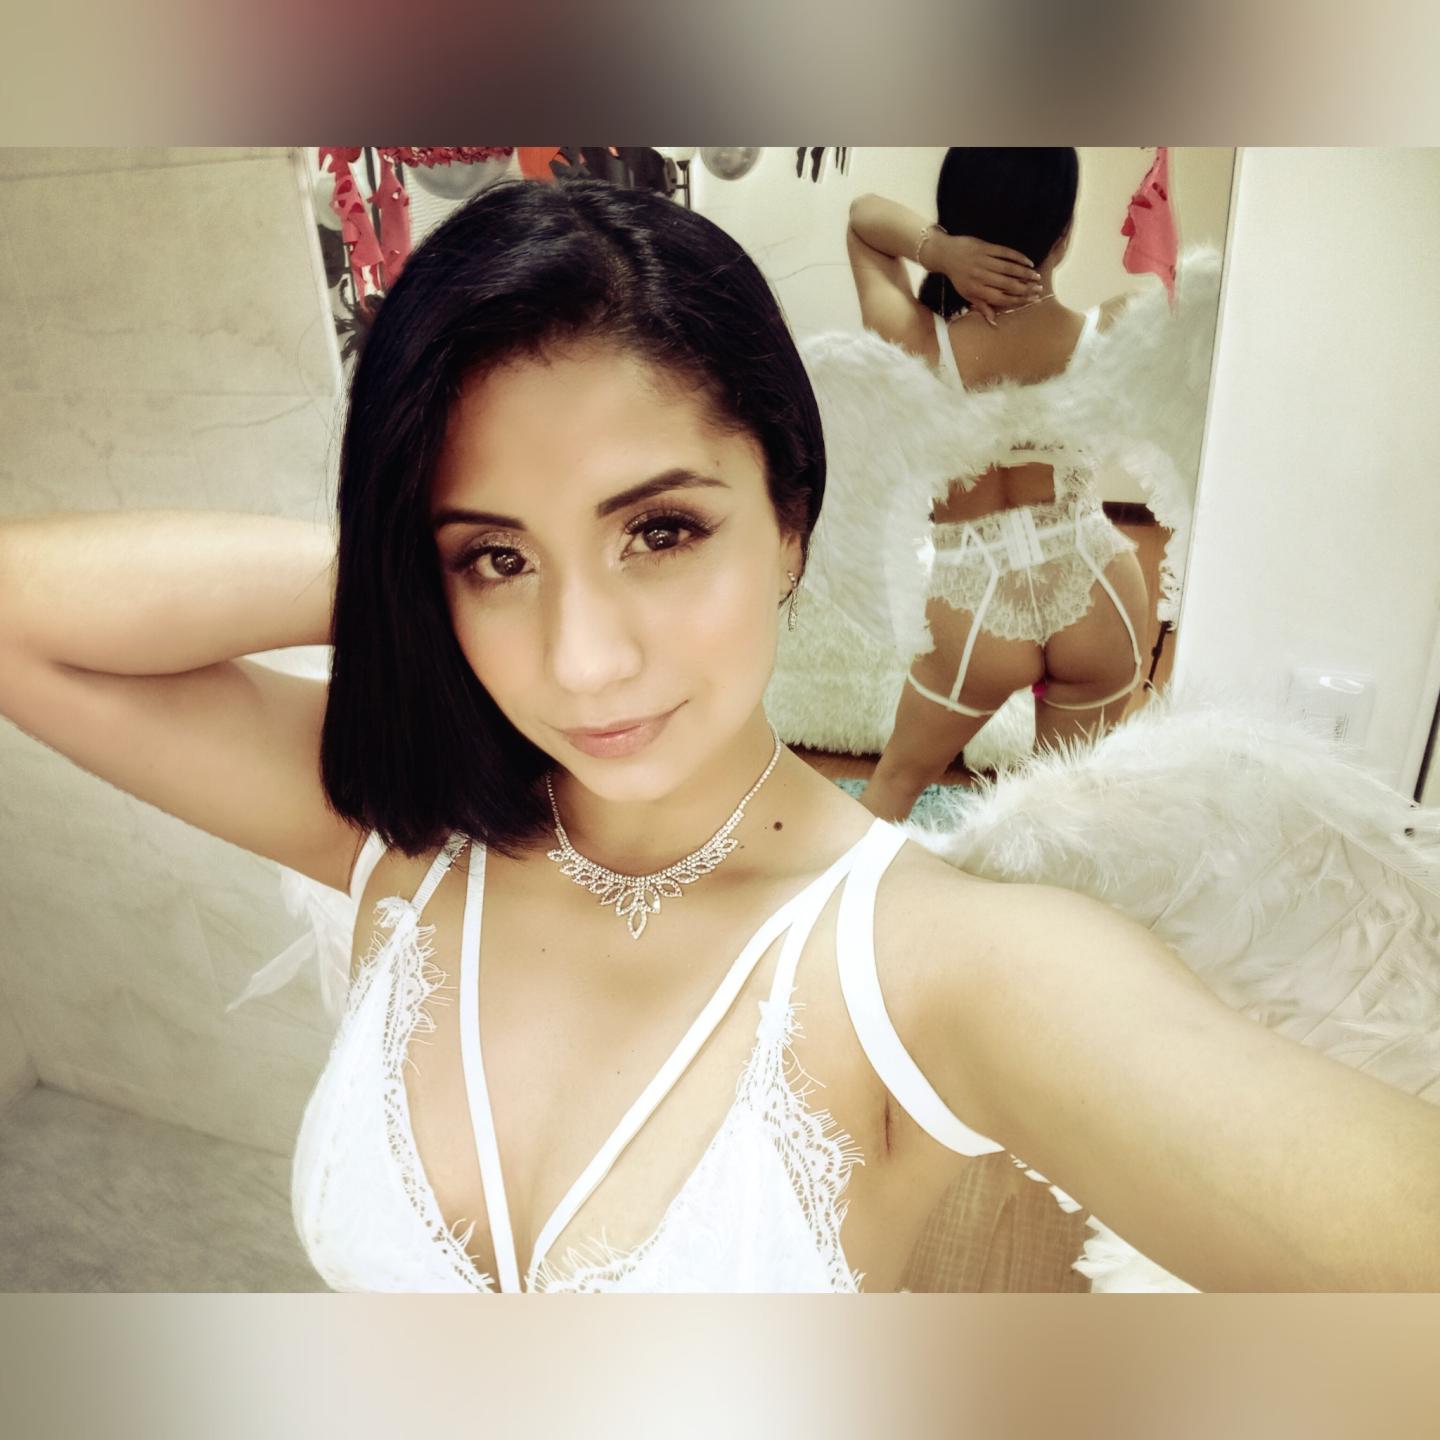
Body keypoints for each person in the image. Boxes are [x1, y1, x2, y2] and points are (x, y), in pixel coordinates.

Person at [1, 177, 1436, 1293]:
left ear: (789, 520)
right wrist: (390, 572)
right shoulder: (408, 837)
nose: (584, 659)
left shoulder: (939, 970)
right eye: (496, 557)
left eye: (661, 531)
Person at [845, 149, 1153, 821]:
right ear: (1063, 233)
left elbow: (864, 219)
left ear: (957, 224)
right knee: (1061, 817)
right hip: (1096, 586)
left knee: (894, 786)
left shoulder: (915, 340)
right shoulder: (1116, 327)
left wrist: (938, 252)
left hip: (975, 597)